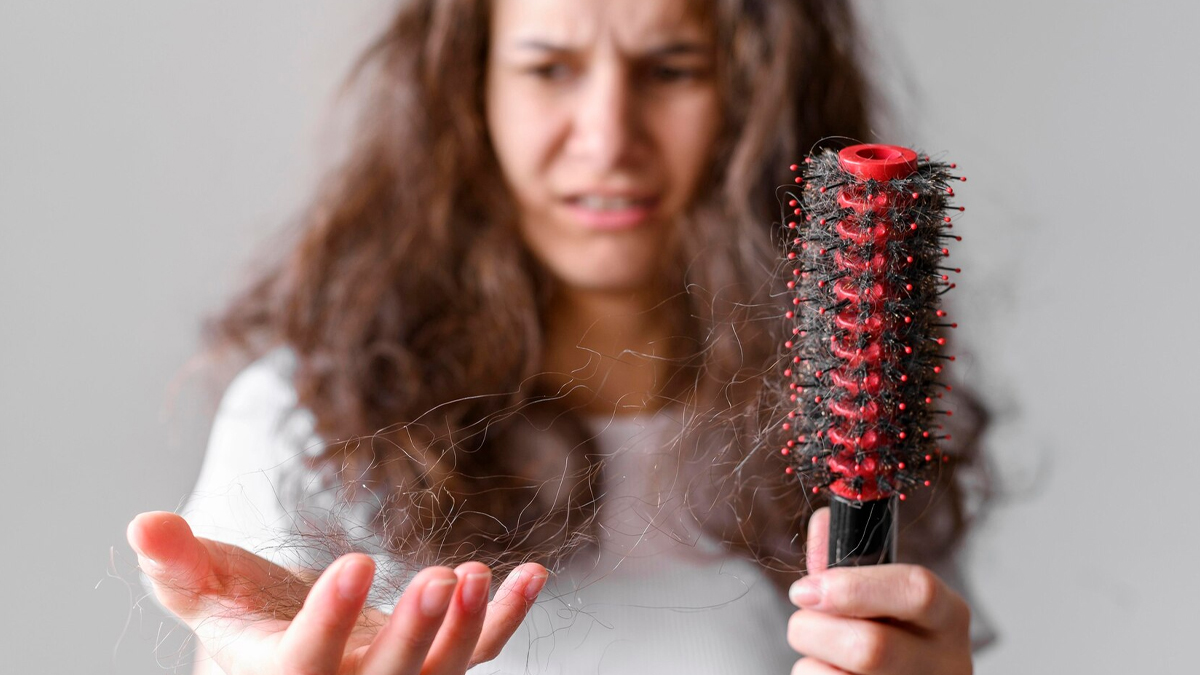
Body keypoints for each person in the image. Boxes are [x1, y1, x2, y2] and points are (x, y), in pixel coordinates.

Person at [127, 1, 985, 673]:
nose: (608, 137)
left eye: (671, 68)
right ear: (472, 92)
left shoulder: (861, 415)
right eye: (548, 68)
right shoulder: (304, 423)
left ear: (755, 94)